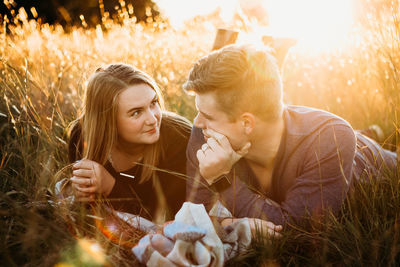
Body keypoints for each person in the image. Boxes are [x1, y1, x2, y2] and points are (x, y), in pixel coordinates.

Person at [183, 44, 397, 228]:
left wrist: (222, 180)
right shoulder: (204, 134)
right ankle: (372, 131)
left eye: (208, 116)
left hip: (380, 166)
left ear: (247, 123)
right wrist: (227, 224)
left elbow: (296, 233)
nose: (197, 122)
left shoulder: (331, 139)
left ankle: (374, 136)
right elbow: (196, 219)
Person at [64, 63, 191, 223]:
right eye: (136, 112)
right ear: (108, 122)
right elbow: (89, 214)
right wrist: (83, 194)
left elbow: (174, 221)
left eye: (154, 103)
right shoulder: (82, 135)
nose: (153, 119)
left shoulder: (179, 138)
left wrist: (110, 187)